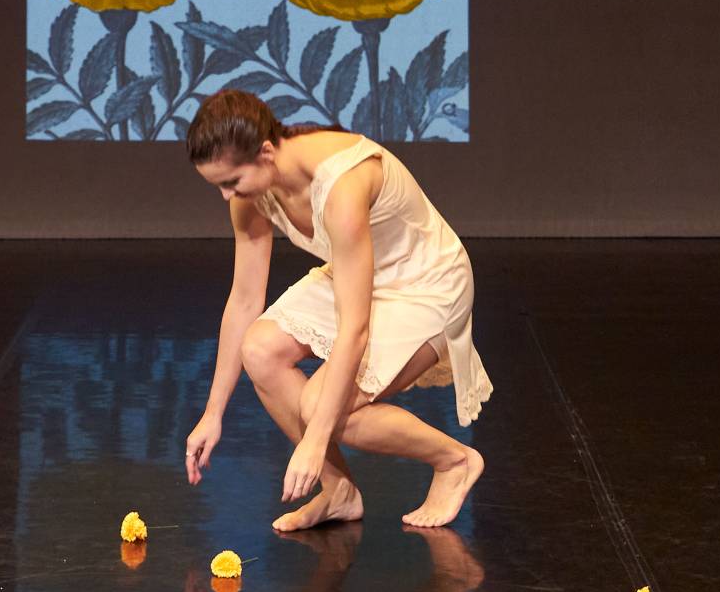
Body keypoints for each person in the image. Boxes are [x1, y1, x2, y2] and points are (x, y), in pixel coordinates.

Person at [183, 89, 490, 529]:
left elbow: (354, 329)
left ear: (266, 153)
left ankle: (454, 460)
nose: (226, 195)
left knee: (319, 407)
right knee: (260, 348)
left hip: (426, 285)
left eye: (232, 182)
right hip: (360, 276)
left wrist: (314, 438)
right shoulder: (251, 194)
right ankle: (339, 490)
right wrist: (213, 413)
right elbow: (245, 299)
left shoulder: (342, 185)